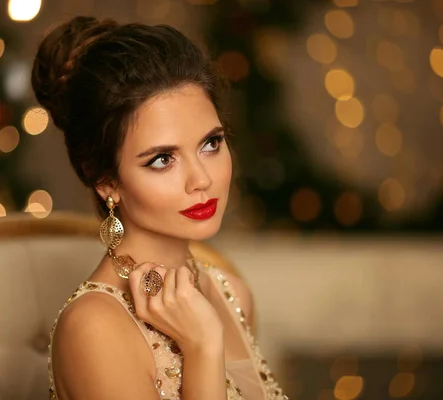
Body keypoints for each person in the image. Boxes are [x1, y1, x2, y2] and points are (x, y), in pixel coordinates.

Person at [31, 16, 287, 400]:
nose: (201, 179)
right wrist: (201, 345)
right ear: (105, 180)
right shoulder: (94, 328)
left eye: (211, 144)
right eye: (162, 159)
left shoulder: (230, 292)